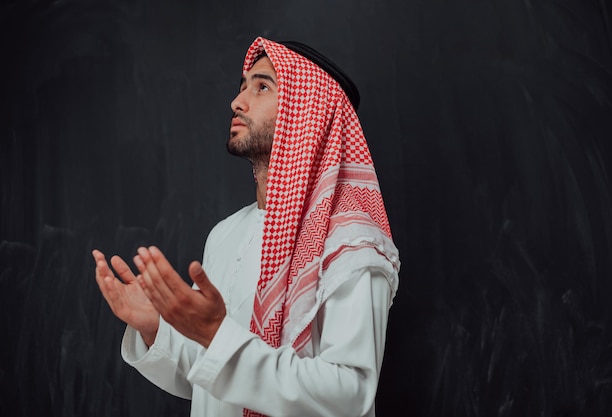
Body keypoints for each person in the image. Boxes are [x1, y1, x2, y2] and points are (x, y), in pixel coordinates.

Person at [93, 37, 400, 417]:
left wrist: (217, 337)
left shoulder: (350, 243)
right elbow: (213, 377)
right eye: (242, 87)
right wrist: (157, 327)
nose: (237, 103)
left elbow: (349, 394)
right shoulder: (224, 234)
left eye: (262, 86)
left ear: (305, 112)